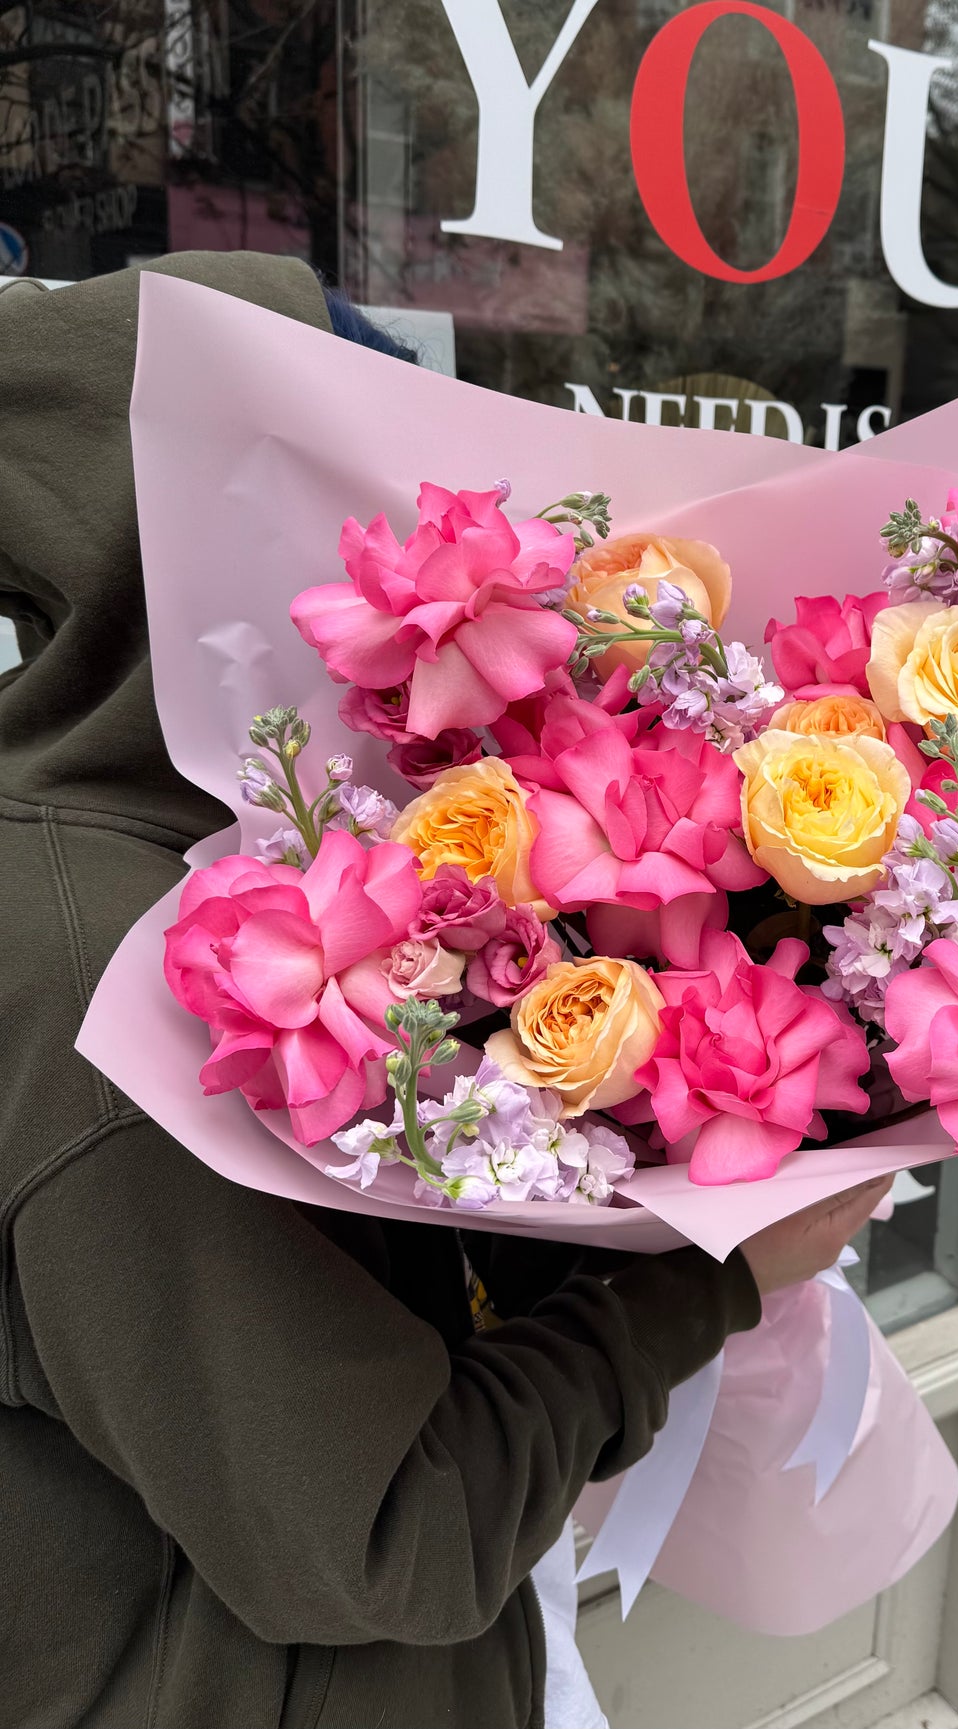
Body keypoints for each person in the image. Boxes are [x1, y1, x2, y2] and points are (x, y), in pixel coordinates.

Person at [0, 254, 890, 1729]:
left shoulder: (251, 844)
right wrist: (707, 1276)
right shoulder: (98, 960)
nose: (424, 570)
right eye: (364, 495)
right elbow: (379, 1534)